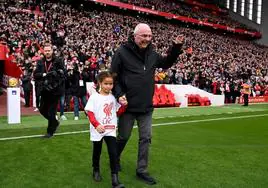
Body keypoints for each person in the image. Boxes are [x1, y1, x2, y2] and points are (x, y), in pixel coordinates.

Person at [111, 23, 184, 185]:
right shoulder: (122, 52)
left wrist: (176, 47)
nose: (147, 39)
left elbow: (166, 63)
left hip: (146, 106)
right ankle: (114, 159)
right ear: (135, 35)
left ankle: (141, 170)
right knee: (123, 137)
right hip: (127, 106)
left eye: (149, 36)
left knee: (146, 138)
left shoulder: (152, 54)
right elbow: (113, 76)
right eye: (144, 36)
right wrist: (119, 94)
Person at [84, 71, 126, 188]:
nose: (109, 86)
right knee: (97, 151)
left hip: (110, 130)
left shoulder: (113, 98)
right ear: (100, 83)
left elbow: (117, 112)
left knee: (113, 153)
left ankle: (115, 179)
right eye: (106, 83)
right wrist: (96, 125)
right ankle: (96, 170)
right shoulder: (94, 97)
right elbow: (90, 113)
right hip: (97, 130)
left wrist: (124, 106)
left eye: (111, 84)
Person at [34, 42, 66, 138]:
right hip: (44, 90)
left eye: (49, 50)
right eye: (46, 50)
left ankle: (50, 132)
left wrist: (55, 77)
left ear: (52, 51)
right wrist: (44, 74)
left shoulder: (58, 61)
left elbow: (63, 74)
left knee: (51, 112)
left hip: (55, 91)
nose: (47, 52)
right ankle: (55, 122)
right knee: (42, 110)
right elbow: (36, 75)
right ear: (43, 51)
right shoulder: (40, 62)